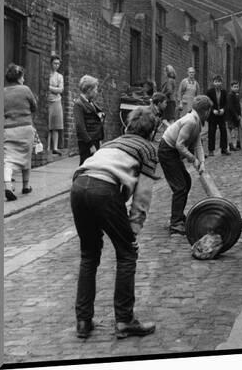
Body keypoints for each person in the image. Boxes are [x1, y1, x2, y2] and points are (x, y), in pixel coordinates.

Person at [70, 106, 159, 340]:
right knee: (127, 253)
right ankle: (124, 320)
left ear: (129, 126)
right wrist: (134, 229)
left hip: (79, 185)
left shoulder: (112, 142)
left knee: (89, 254)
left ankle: (83, 321)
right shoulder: (148, 149)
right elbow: (143, 195)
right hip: (105, 189)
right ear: (151, 132)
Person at [158, 95, 211, 235]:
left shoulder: (197, 121)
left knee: (186, 182)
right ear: (205, 111)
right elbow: (180, 145)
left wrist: (202, 163)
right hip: (167, 151)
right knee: (180, 187)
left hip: (173, 152)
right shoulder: (191, 122)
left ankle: (179, 216)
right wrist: (193, 159)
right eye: (209, 111)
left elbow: (198, 143)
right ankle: (175, 223)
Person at [3, 63, 37, 201]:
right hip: (25, 128)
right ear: (18, 78)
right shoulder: (25, 90)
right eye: (23, 77)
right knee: (26, 157)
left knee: (8, 160)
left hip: (8, 129)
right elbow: (34, 106)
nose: (24, 79)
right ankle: (25, 186)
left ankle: (8, 186)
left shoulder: (2, 92)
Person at [73, 75, 106, 165]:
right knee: (86, 166)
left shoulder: (90, 102)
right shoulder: (79, 104)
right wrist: (90, 144)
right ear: (89, 90)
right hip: (87, 142)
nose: (96, 92)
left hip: (94, 140)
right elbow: (80, 126)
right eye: (95, 89)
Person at [206, 75, 231, 156]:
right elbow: (207, 102)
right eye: (216, 82)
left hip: (222, 114)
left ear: (221, 83)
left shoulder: (224, 92)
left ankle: (224, 149)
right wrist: (213, 110)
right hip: (213, 115)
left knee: (223, 131)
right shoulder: (209, 92)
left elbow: (227, 103)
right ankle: (211, 150)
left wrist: (223, 109)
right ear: (213, 83)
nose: (217, 83)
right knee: (211, 132)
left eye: (219, 82)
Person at [48, 55, 64, 156]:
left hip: (57, 101)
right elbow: (57, 89)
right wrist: (55, 89)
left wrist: (49, 87)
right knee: (48, 125)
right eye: (55, 63)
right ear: (51, 63)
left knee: (56, 125)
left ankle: (55, 147)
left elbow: (61, 90)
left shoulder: (60, 76)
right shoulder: (48, 74)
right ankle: (47, 147)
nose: (56, 65)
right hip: (48, 101)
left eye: (58, 64)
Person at [225, 80, 242, 152]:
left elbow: (238, 106)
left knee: (238, 129)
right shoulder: (230, 95)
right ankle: (231, 145)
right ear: (231, 87)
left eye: (237, 87)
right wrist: (236, 116)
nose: (236, 88)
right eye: (234, 87)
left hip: (236, 115)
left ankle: (239, 144)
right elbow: (230, 107)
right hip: (230, 116)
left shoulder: (237, 95)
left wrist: (240, 114)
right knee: (230, 130)